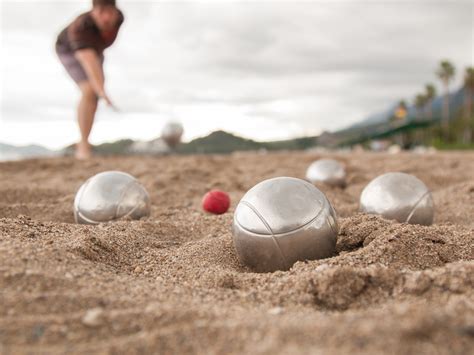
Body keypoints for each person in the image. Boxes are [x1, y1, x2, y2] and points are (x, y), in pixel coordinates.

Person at [56, 0, 124, 159]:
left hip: (95, 50)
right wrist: (102, 91)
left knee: (95, 93)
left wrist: (101, 89)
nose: (106, 18)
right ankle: (83, 146)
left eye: (110, 12)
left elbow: (96, 54)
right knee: (89, 90)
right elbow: (89, 61)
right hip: (69, 50)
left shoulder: (120, 18)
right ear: (92, 12)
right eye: (101, 12)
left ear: (116, 11)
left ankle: (85, 141)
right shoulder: (80, 28)